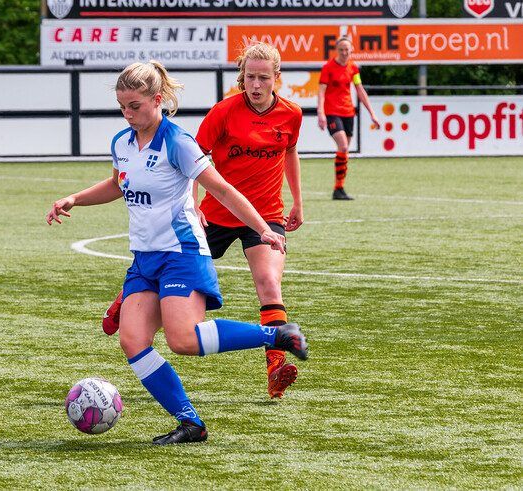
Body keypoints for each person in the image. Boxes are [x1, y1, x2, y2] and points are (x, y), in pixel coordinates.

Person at [47, 60, 308, 445]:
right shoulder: (122, 141)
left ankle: (275, 335)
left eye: (135, 106)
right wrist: (75, 198)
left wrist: (262, 229)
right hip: (144, 258)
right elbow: (119, 183)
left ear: (157, 100)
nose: (128, 114)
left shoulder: (178, 142)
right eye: (122, 106)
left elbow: (222, 190)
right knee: (133, 341)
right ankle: (190, 423)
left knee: (183, 339)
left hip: (182, 252)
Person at [103, 42, 305, 400]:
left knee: (269, 282)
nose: (255, 85)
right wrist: (193, 203)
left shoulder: (291, 114)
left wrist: (298, 202)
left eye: (263, 78)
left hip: (265, 214)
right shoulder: (224, 112)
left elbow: (290, 152)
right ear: (242, 78)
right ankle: (129, 295)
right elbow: (194, 160)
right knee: (173, 261)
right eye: (249, 77)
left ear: (277, 78)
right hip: (214, 214)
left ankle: (276, 366)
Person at [317, 36, 380, 200]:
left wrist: (372, 113)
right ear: (336, 51)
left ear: (351, 50)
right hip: (332, 112)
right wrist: (321, 113)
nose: (344, 53)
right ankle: (338, 189)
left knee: (344, 152)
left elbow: (360, 90)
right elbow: (322, 91)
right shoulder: (328, 68)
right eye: (341, 50)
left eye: (347, 50)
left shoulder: (353, 68)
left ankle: (339, 188)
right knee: (343, 146)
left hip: (348, 113)